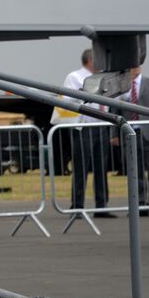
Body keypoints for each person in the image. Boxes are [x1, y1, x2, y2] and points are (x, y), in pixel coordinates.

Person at [55, 48, 109, 212]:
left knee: (101, 167)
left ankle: (102, 206)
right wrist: (84, 94)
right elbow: (67, 99)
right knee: (81, 167)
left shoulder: (103, 77)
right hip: (83, 127)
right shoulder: (74, 77)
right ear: (90, 61)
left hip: (101, 126)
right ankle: (77, 205)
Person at [116, 65, 149, 216]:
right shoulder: (123, 87)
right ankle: (139, 204)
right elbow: (116, 110)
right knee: (135, 170)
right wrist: (115, 134)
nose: (135, 69)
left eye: (136, 66)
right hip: (130, 133)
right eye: (132, 67)